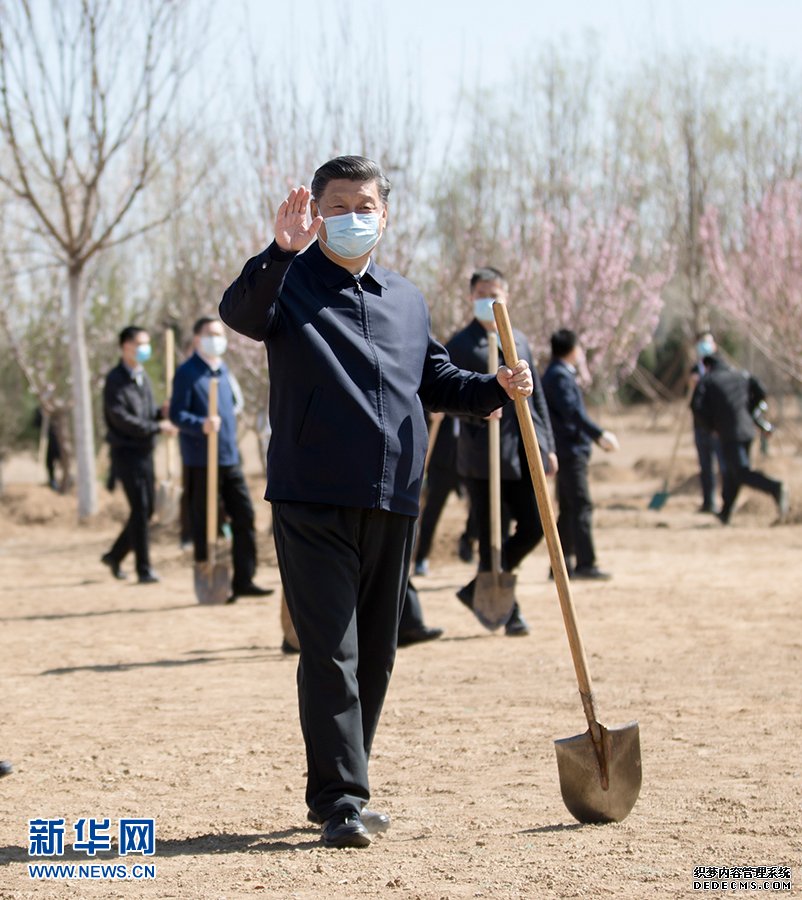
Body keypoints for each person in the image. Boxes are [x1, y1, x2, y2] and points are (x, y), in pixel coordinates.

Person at [219, 155, 533, 849]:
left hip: (395, 496)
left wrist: (496, 389)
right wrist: (280, 250)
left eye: (365, 205)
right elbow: (238, 313)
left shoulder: (406, 298)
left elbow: (436, 377)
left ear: (384, 215)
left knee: (379, 654)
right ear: (316, 213)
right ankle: (341, 800)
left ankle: (344, 784)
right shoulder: (289, 283)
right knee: (331, 650)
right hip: (312, 496)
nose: (352, 216)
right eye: (337, 205)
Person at [446, 267, 556, 637]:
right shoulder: (460, 344)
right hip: (481, 455)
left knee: (535, 525)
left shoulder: (519, 341)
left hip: (521, 450)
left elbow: (535, 394)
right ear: (470, 296)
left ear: (507, 297)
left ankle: (480, 584)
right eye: (481, 293)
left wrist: (547, 446)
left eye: (495, 294)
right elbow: (445, 395)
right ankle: (509, 611)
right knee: (490, 532)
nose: (488, 300)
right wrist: (477, 409)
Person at [169, 317, 273, 602]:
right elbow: (176, 414)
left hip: (229, 458)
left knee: (244, 516)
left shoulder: (223, 371)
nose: (217, 339)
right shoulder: (188, 372)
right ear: (197, 339)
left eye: (220, 334)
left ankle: (244, 579)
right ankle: (208, 572)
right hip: (202, 460)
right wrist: (200, 423)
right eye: (211, 334)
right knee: (204, 521)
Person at [101, 326, 177, 583]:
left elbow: (144, 412)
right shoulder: (115, 380)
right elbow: (121, 418)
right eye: (140, 343)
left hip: (145, 451)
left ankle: (114, 555)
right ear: (126, 346)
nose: (145, 348)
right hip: (126, 453)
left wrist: (159, 413)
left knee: (145, 510)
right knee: (141, 507)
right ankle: (143, 568)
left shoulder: (142, 376)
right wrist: (157, 427)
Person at [541, 329, 618, 580]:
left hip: (566, 449)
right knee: (580, 505)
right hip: (569, 450)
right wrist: (598, 434)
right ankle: (585, 563)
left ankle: (560, 565)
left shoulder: (556, 374)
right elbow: (573, 413)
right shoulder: (559, 377)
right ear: (572, 350)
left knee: (570, 507)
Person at [692, 354, 788, 525]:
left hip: (728, 433)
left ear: (707, 366)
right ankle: (725, 512)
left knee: (741, 471)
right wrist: (750, 411)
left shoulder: (708, 380)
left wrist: (711, 426)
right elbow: (761, 391)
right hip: (747, 430)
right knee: (732, 472)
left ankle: (775, 487)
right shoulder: (741, 375)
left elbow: (696, 406)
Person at [413, 413, 476, 575]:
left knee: (479, 508)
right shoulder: (442, 393)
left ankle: (468, 541)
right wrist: (429, 416)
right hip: (442, 464)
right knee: (432, 512)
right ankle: (421, 557)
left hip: (468, 461)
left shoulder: (471, 393)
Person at [689, 331, 725, 513]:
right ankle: (708, 502)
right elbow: (692, 399)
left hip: (718, 426)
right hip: (700, 425)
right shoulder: (695, 370)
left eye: (707, 343)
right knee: (705, 466)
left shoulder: (721, 368)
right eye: (701, 343)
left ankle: (725, 502)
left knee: (722, 464)